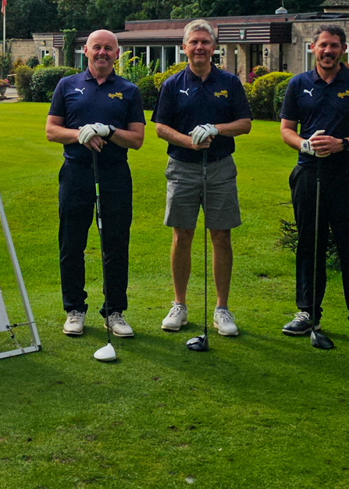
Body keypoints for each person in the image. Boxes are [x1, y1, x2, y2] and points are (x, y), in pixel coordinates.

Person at [277, 24, 349, 346]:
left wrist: (342, 144)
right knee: (309, 245)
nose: (328, 51)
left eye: (334, 46)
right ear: (313, 48)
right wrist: (304, 145)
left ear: (343, 49)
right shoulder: (298, 84)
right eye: (323, 45)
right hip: (309, 173)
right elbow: (286, 129)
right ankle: (307, 312)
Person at [152, 20, 252, 336]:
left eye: (205, 42)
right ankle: (179, 305)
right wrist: (188, 141)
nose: (199, 47)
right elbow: (160, 127)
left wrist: (216, 129)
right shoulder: (172, 84)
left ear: (214, 47)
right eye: (194, 42)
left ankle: (222, 308)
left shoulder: (229, 82)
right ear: (184, 47)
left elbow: (245, 123)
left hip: (220, 166)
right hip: (182, 166)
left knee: (221, 235)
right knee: (182, 234)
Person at [45, 29, 146, 337]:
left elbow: (137, 139)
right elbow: (51, 130)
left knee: (115, 244)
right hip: (76, 173)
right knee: (71, 242)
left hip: (114, 174)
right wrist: (80, 134)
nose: (102, 52)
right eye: (97, 47)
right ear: (86, 51)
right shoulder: (67, 85)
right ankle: (74, 309)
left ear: (117, 54)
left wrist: (108, 131)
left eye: (108, 48)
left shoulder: (129, 90)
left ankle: (114, 311)